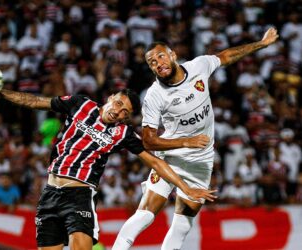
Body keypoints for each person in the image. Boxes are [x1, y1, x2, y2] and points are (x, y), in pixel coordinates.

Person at [113, 27, 279, 250]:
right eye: (151, 62)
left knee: (182, 225)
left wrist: (261, 44)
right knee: (145, 214)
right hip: (171, 156)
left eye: (160, 56)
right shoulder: (155, 95)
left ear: (172, 54)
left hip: (201, 159)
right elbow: (149, 141)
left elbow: (226, 56)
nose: (157, 63)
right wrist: (185, 142)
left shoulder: (198, 66)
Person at [0, 88, 217, 250]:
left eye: (126, 112)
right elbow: (36, 101)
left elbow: (156, 162)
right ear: (111, 97)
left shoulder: (123, 133)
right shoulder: (80, 104)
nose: (119, 112)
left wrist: (185, 188)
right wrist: (1, 92)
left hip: (79, 195)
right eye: (119, 104)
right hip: (49, 194)